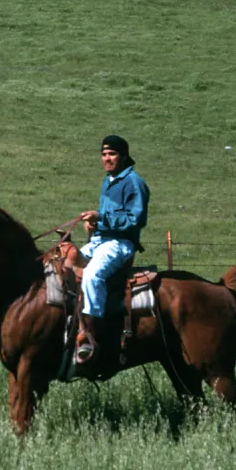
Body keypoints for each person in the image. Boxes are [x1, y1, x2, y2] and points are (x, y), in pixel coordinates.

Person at [72, 135, 150, 368]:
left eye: (112, 154)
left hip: (120, 243)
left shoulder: (134, 183)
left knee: (92, 275)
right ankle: (71, 322)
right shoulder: (108, 181)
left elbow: (136, 220)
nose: (107, 158)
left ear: (123, 156)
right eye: (104, 154)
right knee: (66, 261)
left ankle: (92, 334)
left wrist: (101, 218)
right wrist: (93, 225)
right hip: (101, 240)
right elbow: (106, 217)